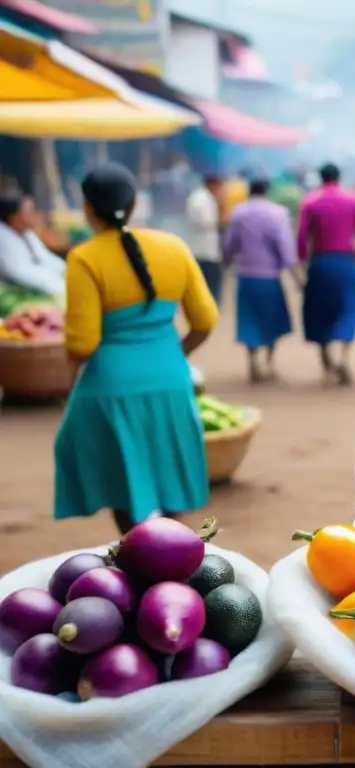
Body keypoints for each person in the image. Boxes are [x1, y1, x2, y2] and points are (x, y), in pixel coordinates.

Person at [54, 162, 218, 535]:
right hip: (171, 378)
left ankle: (138, 556)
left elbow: (82, 342)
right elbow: (205, 320)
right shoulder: (173, 246)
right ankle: (176, 556)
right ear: (133, 205)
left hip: (111, 386)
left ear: (88, 209)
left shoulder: (84, 257)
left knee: (123, 486)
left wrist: (67, 382)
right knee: (170, 479)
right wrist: (176, 355)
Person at [297, 163, 355, 385]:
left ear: (320, 178)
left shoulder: (310, 202)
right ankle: (343, 357)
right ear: (338, 177)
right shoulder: (354, 200)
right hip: (345, 261)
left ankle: (326, 358)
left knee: (319, 311)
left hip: (320, 262)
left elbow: (302, 240)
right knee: (347, 308)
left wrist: (304, 263)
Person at [223, 177, 303, 383]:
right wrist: (298, 278)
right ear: (267, 191)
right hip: (269, 278)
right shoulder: (277, 213)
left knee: (249, 320)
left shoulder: (238, 213)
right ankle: (269, 362)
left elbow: (230, 245)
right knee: (271, 321)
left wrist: (225, 267)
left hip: (246, 276)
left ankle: (252, 363)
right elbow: (286, 250)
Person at [0, 191, 66, 298]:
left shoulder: (27, 233)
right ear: (14, 216)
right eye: (31, 211)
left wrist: (67, 271)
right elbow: (21, 274)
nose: (36, 214)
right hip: (16, 293)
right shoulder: (2, 239)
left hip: (43, 286)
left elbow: (46, 257)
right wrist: (60, 286)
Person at [185, 174, 223, 303]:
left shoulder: (198, 196)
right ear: (212, 184)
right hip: (206, 247)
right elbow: (207, 221)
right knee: (210, 280)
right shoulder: (204, 199)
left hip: (201, 246)